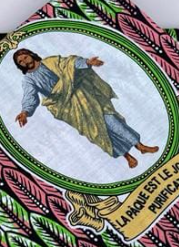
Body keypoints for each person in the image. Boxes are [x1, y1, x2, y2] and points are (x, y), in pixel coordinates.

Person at [12, 47, 159, 169]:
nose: (24, 61)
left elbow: (70, 63)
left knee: (111, 120)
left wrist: (87, 62)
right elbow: (30, 95)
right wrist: (25, 112)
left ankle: (139, 146)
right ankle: (127, 157)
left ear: (31, 55)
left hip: (83, 94)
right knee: (98, 132)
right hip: (68, 108)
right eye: (20, 61)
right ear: (20, 65)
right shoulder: (28, 80)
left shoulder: (51, 61)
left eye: (24, 57)